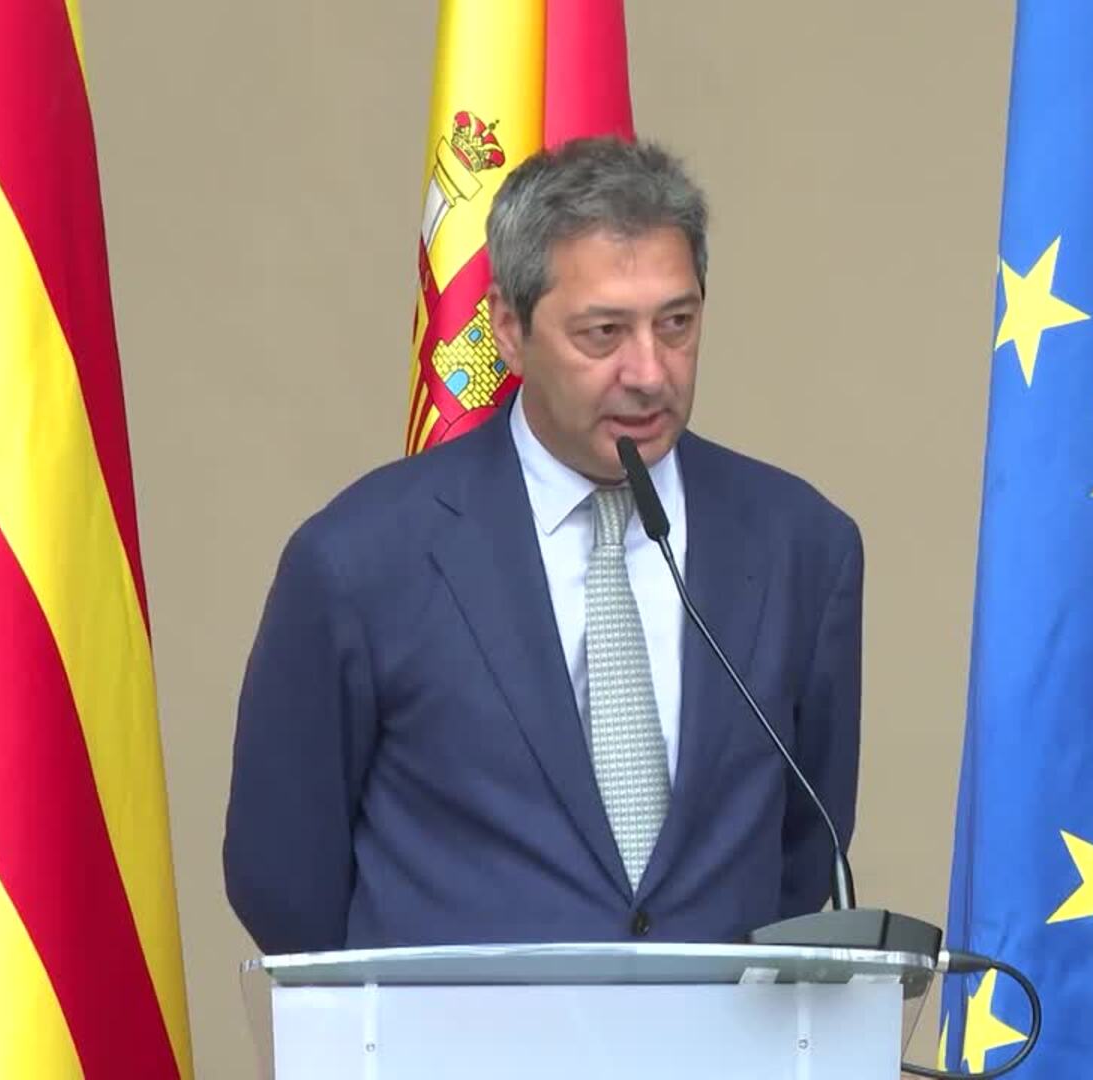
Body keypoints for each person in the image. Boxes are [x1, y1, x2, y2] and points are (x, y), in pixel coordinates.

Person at [223, 137, 863, 955]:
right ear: (509, 330)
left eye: (676, 324)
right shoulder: (361, 560)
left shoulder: (801, 545)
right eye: (603, 333)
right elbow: (283, 879)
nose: (650, 372)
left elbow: (803, 851)